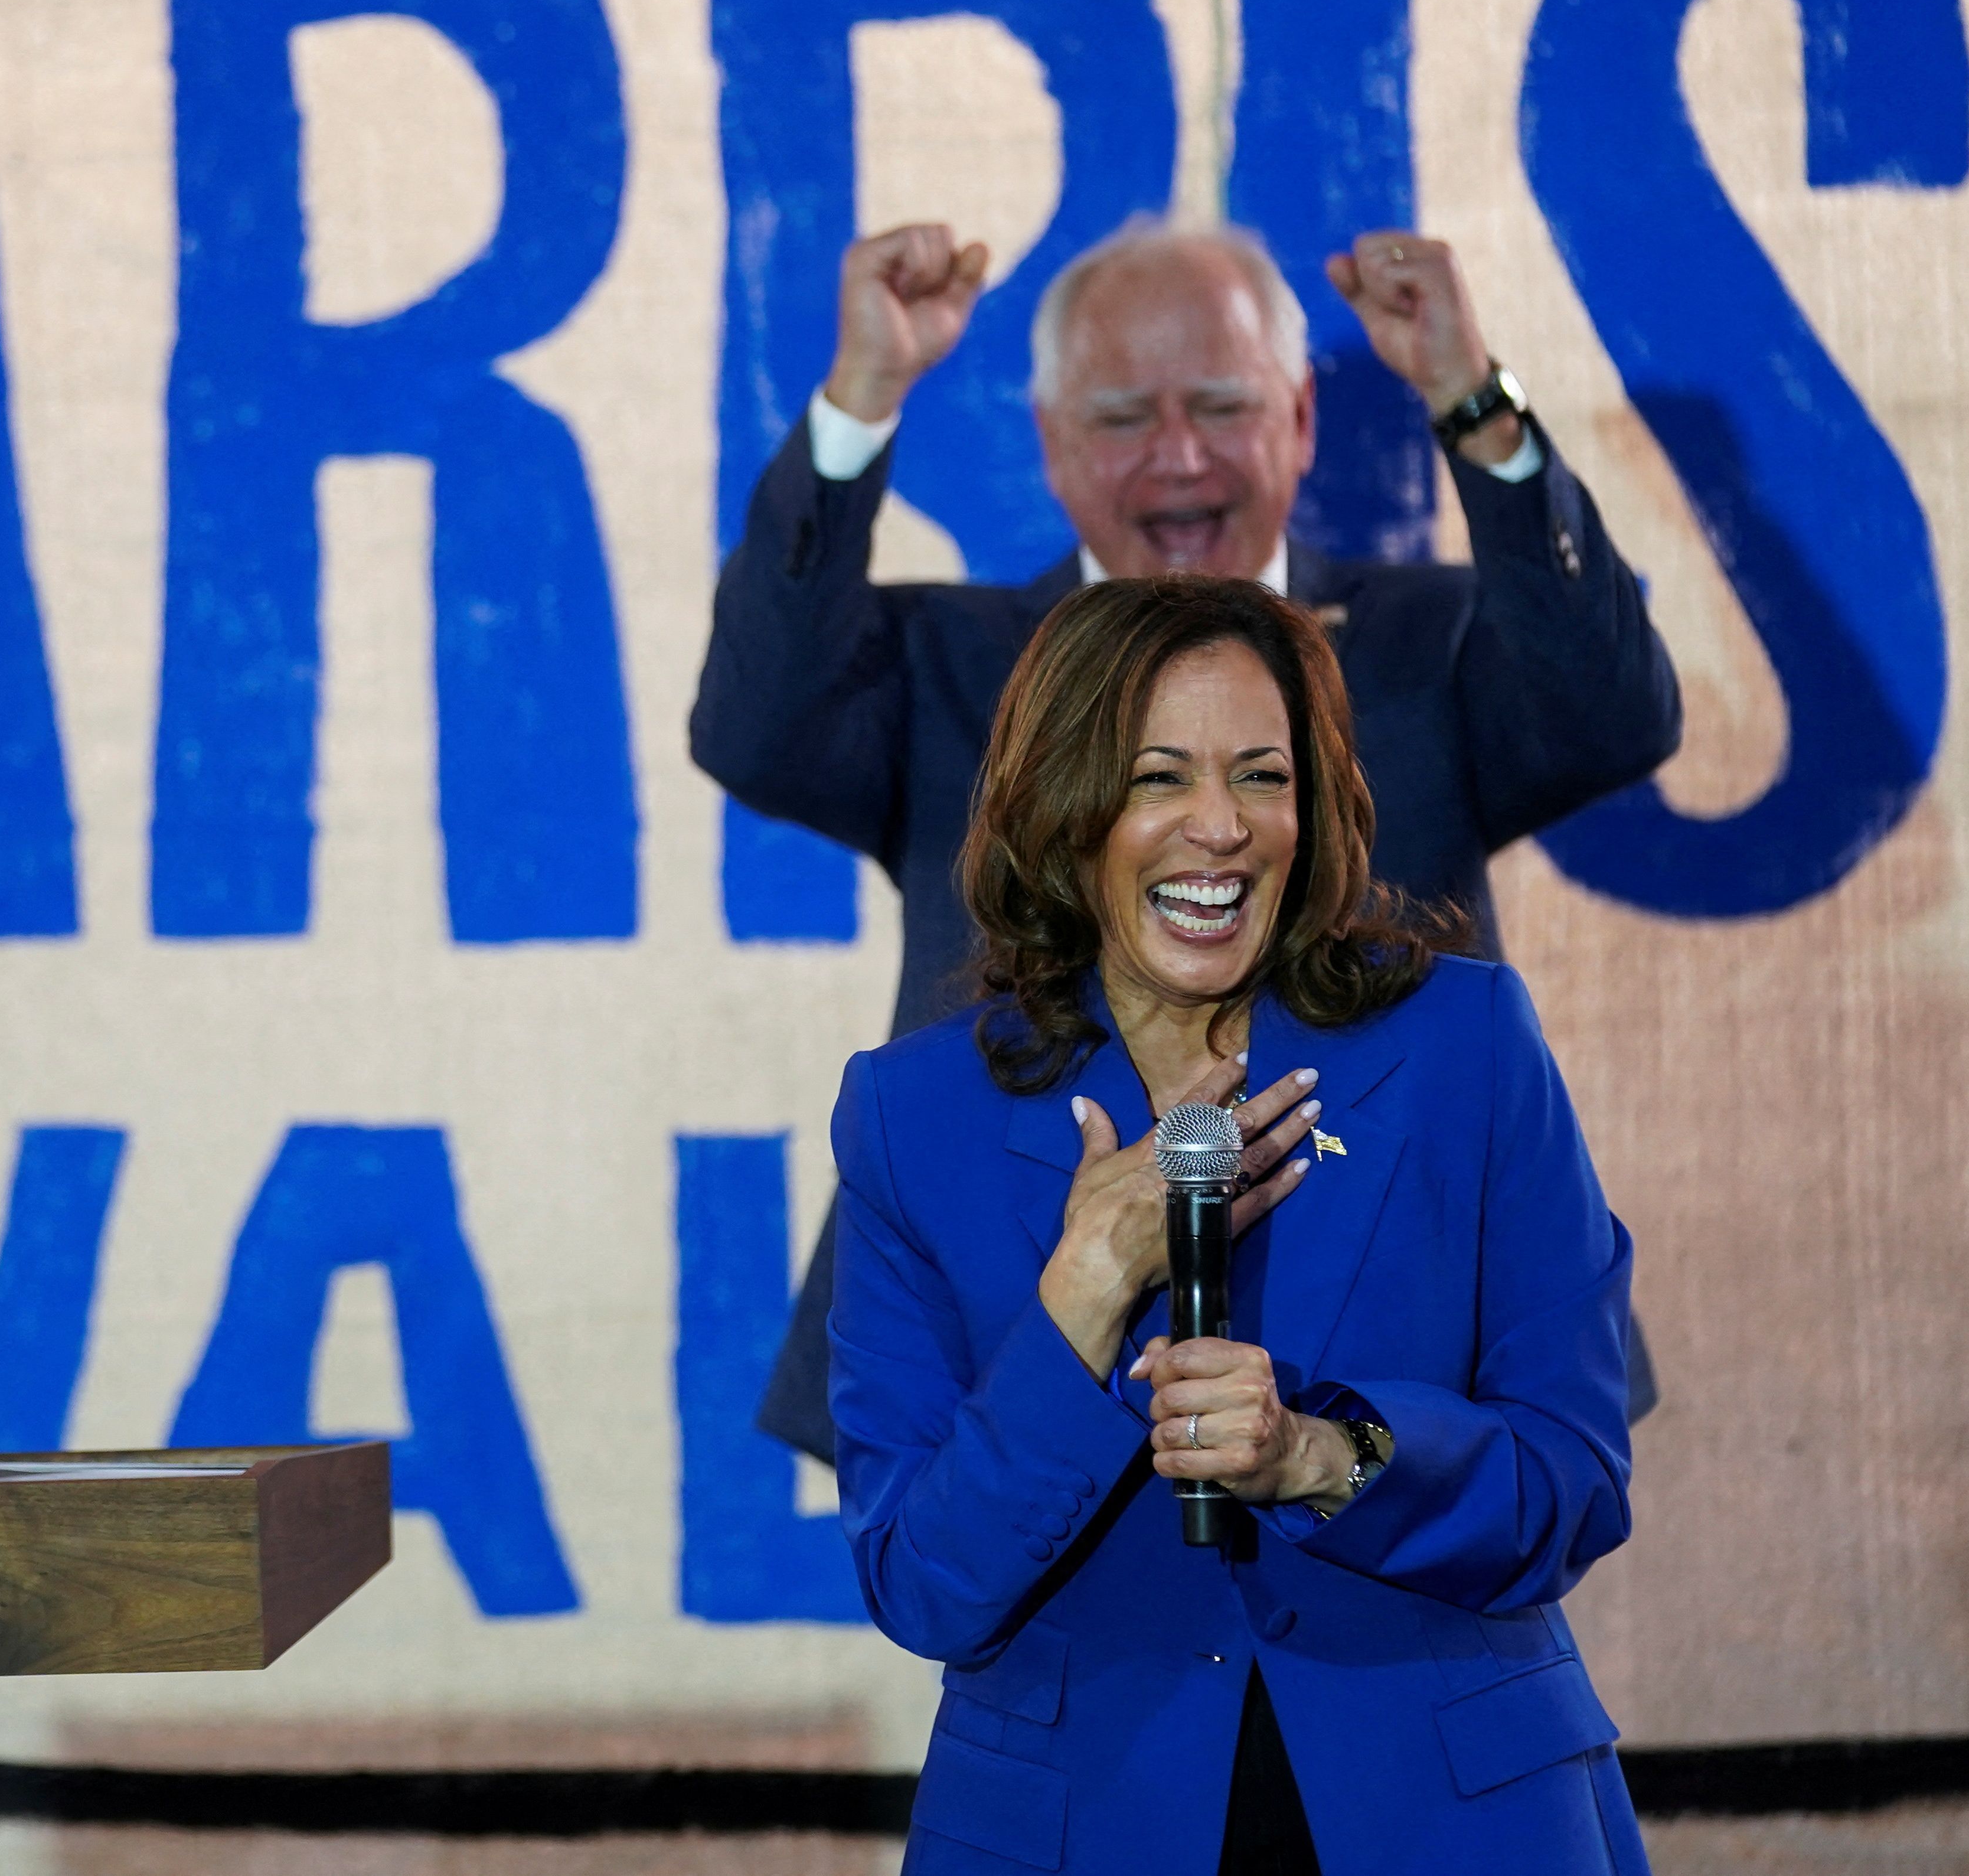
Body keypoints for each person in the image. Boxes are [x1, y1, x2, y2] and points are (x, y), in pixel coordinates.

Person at [695, 218, 1680, 1460]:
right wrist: (863, 396)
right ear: (1049, 445)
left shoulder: (1430, 641)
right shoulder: (950, 667)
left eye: (1220, 405)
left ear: (1302, 419)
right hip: (1014, 1320)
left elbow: (1617, 713)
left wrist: (1468, 399)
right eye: (1121, 420)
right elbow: (753, 727)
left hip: (1395, 1330)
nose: (1177, 457)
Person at [831, 575, 1643, 1875]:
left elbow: (1577, 1476)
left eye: (1262, 776)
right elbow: (921, 1580)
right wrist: (1087, 1286)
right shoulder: (913, 1117)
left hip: (1451, 1816)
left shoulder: (1462, 1048)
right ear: (1064, 806)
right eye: (1159, 777)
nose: (1220, 829)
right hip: (1075, 1829)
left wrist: (1327, 1455)